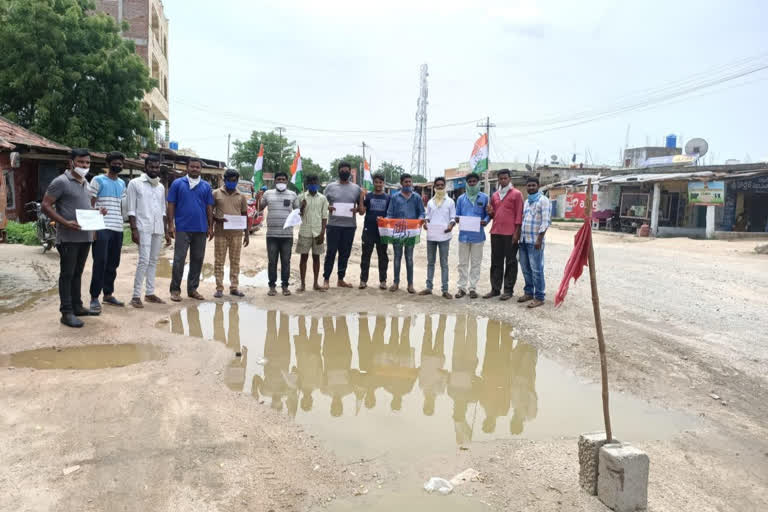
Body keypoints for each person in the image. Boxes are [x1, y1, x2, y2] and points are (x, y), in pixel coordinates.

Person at [41, 148, 105, 327]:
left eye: (87, 163)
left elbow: (83, 208)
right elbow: (46, 206)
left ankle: (77, 306)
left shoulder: (85, 182)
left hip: (85, 237)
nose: (84, 166)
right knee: (67, 274)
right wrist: (65, 223)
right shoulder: (61, 182)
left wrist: (97, 213)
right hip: (68, 237)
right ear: (71, 162)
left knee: (77, 273)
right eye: (81, 162)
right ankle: (66, 312)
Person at [126, 155, 171, 308]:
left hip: (157, 228)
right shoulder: (135, 183)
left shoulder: (160, 187)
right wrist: (133, 230)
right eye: (151, 167)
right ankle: (135, 296)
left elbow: (163, 211)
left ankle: (150, 293)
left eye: (156, 167)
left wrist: (165, 231)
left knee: (153, 261)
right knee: (143, 260)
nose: (154, 170)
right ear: (145, 167)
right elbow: (131, 209)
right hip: (142, 227)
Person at [167, 158, 214, 302]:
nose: (195, 169)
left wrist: (210, 226)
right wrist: (170, 224)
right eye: (192, 166)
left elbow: (209, 207)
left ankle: (192, 289)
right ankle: (175, 290)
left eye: (197, 167)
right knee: (179, 259)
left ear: (201, 169)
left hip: (200, 228)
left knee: (198, 259)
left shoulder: (206, 186)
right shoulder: (177, 183)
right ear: (187, 168)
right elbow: (171, 204)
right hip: (182, 228)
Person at [86, 151, 127, 312]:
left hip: (117, 227)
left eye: (120, 164)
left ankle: (108, 294)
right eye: (115, 163)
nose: (118, 165)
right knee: (100, 262)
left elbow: (120, 206)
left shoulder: (122, 183)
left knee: (113, 263)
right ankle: (94, 297)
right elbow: (89, 203)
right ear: (108, 164)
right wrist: (94, 224)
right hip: (102, 227)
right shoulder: (98, 180)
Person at [323, 161, 363, 289]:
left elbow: (362, 211)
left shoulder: (356, 189)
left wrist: (357, 209)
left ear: (350, 172)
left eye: (347, 170)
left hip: (349, 226)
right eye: (342, 170)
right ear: (338, 171)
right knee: (331, 253)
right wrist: (327, 207)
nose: (344, 172)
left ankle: (341, 279)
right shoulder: (330, 187)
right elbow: (322, 204)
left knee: (345, 254)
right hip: (333, 225)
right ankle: (326, 279)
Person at [259, 171, 300, 296]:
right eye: (279, 179)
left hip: (287, 235)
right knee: (272, 261)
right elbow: (259, 208)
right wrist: (257, 199)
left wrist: (303, 207)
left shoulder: (293, 195)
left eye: (283, 179)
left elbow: (298, 212)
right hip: (271, 234)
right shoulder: (268, 194)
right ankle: (272, 286)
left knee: (286, 261)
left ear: (287, 181)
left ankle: (285, 286)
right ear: (275, 181)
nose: (281, 182)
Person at [485, 169, 524, 301]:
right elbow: (494, 214)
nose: (503, 181)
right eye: (500, 179)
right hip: (496, 232)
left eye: (505, 178)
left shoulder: (516, 194)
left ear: (509, 179)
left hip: (510, 233)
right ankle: (495, 289)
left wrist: (517, 232)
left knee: (511, 262)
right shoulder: (495, 195)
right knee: (496, 261)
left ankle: (508, 290)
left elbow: (519, 214)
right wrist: (490, 212)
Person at [212, 169, 250, 298]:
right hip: (220, 233)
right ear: (224, 180)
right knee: (219, 262)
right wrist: (216, 220)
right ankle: (219, 288)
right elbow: (210, 212)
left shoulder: (241, 196)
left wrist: (247, 234)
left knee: (235, 262)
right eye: (230, 180)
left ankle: (234, 287)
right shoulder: (216, 193)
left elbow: (245, 215)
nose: (232, 183)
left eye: (235, 181)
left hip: (237, 234)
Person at [386, 173, 425, 293]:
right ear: (401, 183)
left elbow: (422, 212)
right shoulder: (395, 197)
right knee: (397, 257)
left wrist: (420, 219)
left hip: (411, 232)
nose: (408, 184)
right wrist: (386, 220)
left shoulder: (417, 197)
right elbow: (390, 213)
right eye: (406, 182)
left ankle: (410, 284)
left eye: (410, 182)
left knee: (409, 258)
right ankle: (396, 282)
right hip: (398, 231)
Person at [454, 173, 490, 299]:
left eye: (474, 181)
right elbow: (456, 215)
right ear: (467, 183)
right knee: (462, 263)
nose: (472, 183)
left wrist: (486, 220)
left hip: (478, 236)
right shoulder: (460, 199)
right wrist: (457, 219)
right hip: (464, 236)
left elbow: (488, 214)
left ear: (478, 182)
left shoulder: (484, 197)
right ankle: (461, 288)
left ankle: (473, 288)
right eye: (470, 181)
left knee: (476, 263)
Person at [518, 176, 551, 308]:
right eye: (529, 185)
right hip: (524, 240)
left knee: (537, 269)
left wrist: (540, 239)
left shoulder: (544, 201)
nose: (531, 187)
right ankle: (528, 292)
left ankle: (539, 297)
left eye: (533, 185)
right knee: (526, 269)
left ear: (538, 186)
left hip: (535, 241)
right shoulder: (526, 202)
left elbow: (546, 221)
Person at [419, 177, 455, 299]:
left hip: (445, 236)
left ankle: (445, 290)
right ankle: (429, 288)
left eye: (441, 185)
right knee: (430, 262)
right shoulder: (430, 202)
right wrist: (425, 223)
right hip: (432, 236)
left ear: (445, 186)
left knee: (444, 263)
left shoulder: (450, 202)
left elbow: (453, 218)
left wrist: (450, 226)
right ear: (434, 187)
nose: (439, 187)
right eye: (437, 185)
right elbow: (427, 217)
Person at [297, 174, 328, 292]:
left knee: (316, 258)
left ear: (318, 184)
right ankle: (303, 284)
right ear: (307, 184)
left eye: (315, 182)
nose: (313, 185)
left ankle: (315, 283)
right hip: (304, 231)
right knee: (303, 258)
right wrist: (301, 208)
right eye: (311, 183)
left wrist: (322, 233)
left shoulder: (323, 198)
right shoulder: (301, 197)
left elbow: (324, 217)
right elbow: (297, 215)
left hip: (318, 232)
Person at [358, 173, 390, 290]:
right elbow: (361, 212)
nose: (378, 184)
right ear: (373, 183)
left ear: (383, 183)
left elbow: (390, 215)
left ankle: (383, 281)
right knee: (366, 256)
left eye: (380, 182)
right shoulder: (369, 196)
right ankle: (363, 280)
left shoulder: (388, 198)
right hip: (368, 230)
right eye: (376, 182)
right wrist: (362, 197)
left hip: (382, 232)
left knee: (383, 257)